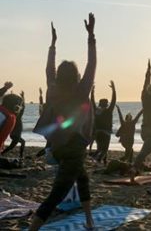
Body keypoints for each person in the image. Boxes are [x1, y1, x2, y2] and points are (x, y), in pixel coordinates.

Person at [30, 14, 96, 231]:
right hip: (74, 147)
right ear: (76, 75)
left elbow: (48, 69)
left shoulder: (52, 88)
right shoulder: (81, 90)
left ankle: (89, 220)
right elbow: (92, 64)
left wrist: (52, 44)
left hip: (57, 147)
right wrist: (91, 36)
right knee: (56, 195)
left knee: (82, 179)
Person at [90, 82, 116, 164]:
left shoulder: (96, 110)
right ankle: (97, 159)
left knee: (99, 148)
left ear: (100, 104)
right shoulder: (108, 111)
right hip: (106, 132)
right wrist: (114, 90)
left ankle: (101, 159)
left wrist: (92, 91)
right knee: (104, 149)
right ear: (106, 104)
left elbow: (92, 102)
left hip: (97, 132)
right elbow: (113, 101)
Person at [1, 91, 26, 159]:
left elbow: (22, 107)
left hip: (13, 135)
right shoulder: (16, 117)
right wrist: (23, 98)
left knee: (13, 146)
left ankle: (20, 155)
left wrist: (22, 98)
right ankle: (21, 156)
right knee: (15, 145)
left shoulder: (13, 117)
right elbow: (23, 107)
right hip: (15, 135)